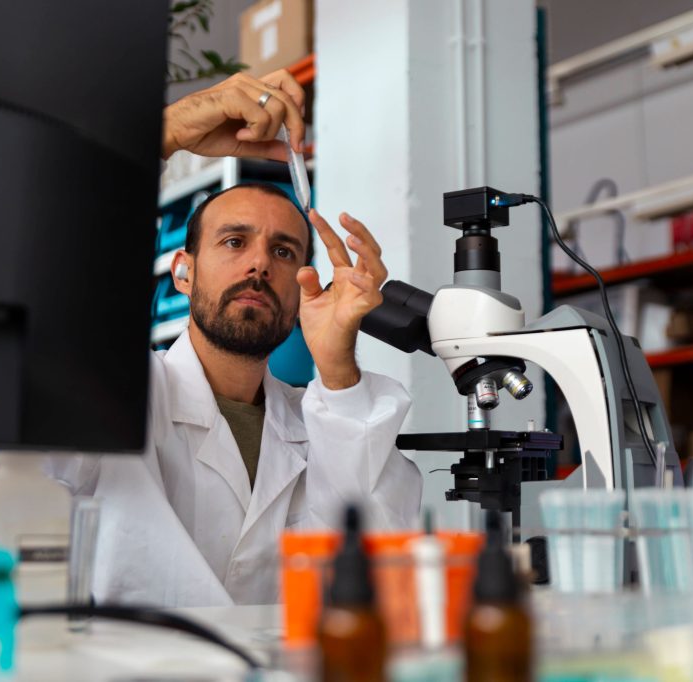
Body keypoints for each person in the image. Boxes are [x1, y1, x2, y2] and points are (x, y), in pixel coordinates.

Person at [49, 70, 422, 607]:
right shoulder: (118, 391)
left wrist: (338, 369)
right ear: (183, 272)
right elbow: (55, 261)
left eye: (285, 251)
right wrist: (167, 131)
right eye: (233, 241)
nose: (258, 265)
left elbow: (382, 559)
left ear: (301, 288)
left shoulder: (323, 420)